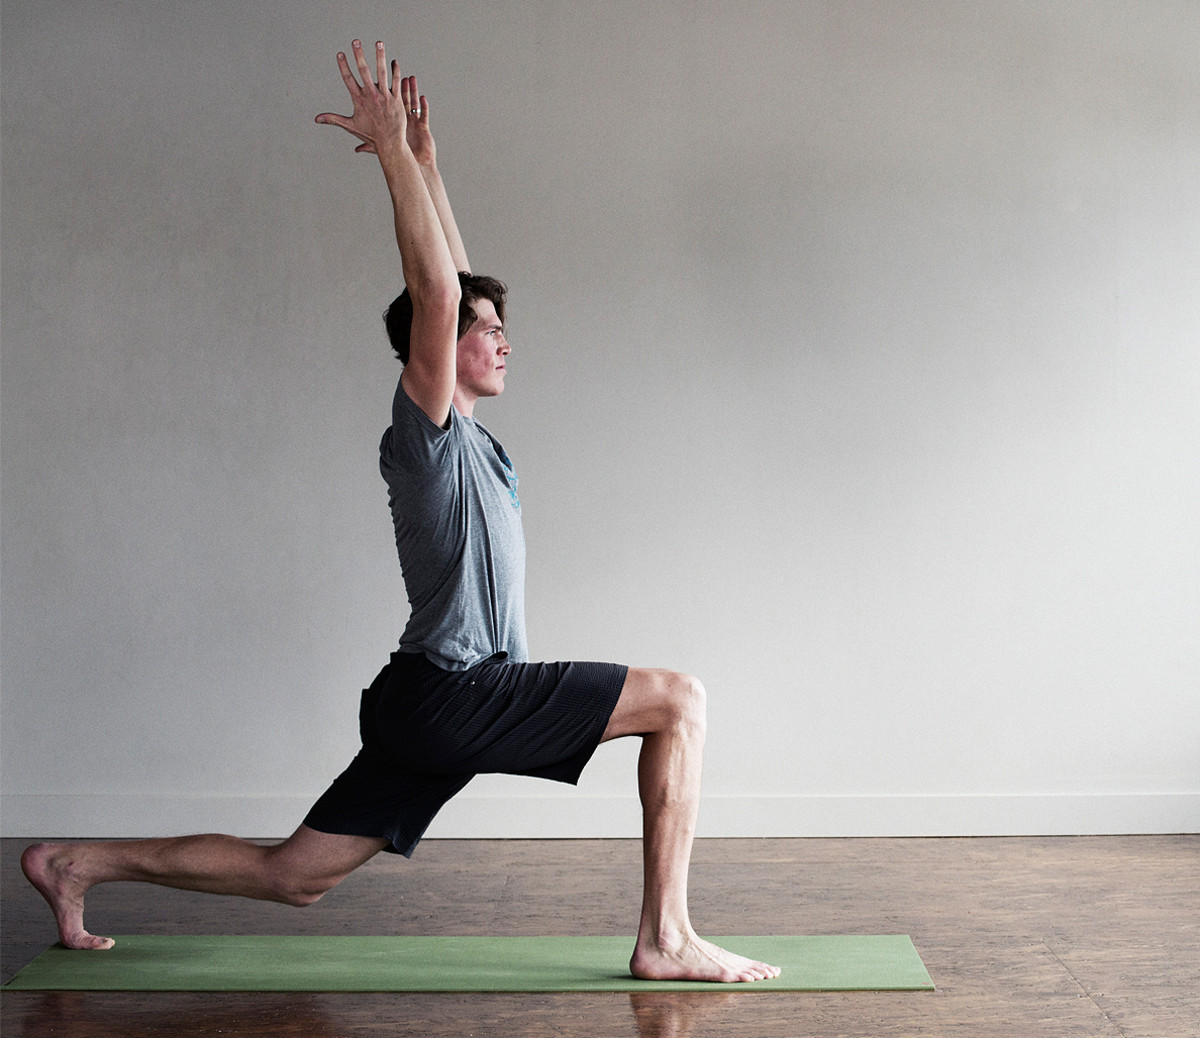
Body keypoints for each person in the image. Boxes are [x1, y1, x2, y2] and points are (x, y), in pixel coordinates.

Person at [21, 40, 780, 984]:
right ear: (435, 353)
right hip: (461, 692)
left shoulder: (468, 438)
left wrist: (428, 169)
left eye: (505, 329)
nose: (504, 343)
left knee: (294, 876)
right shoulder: (423, 435)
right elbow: (436, 291)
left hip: (423, 697)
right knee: (681, 699)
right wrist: (388, 155)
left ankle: (72, 863)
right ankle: (665, 939)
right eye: (487, 333)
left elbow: (452, 282)